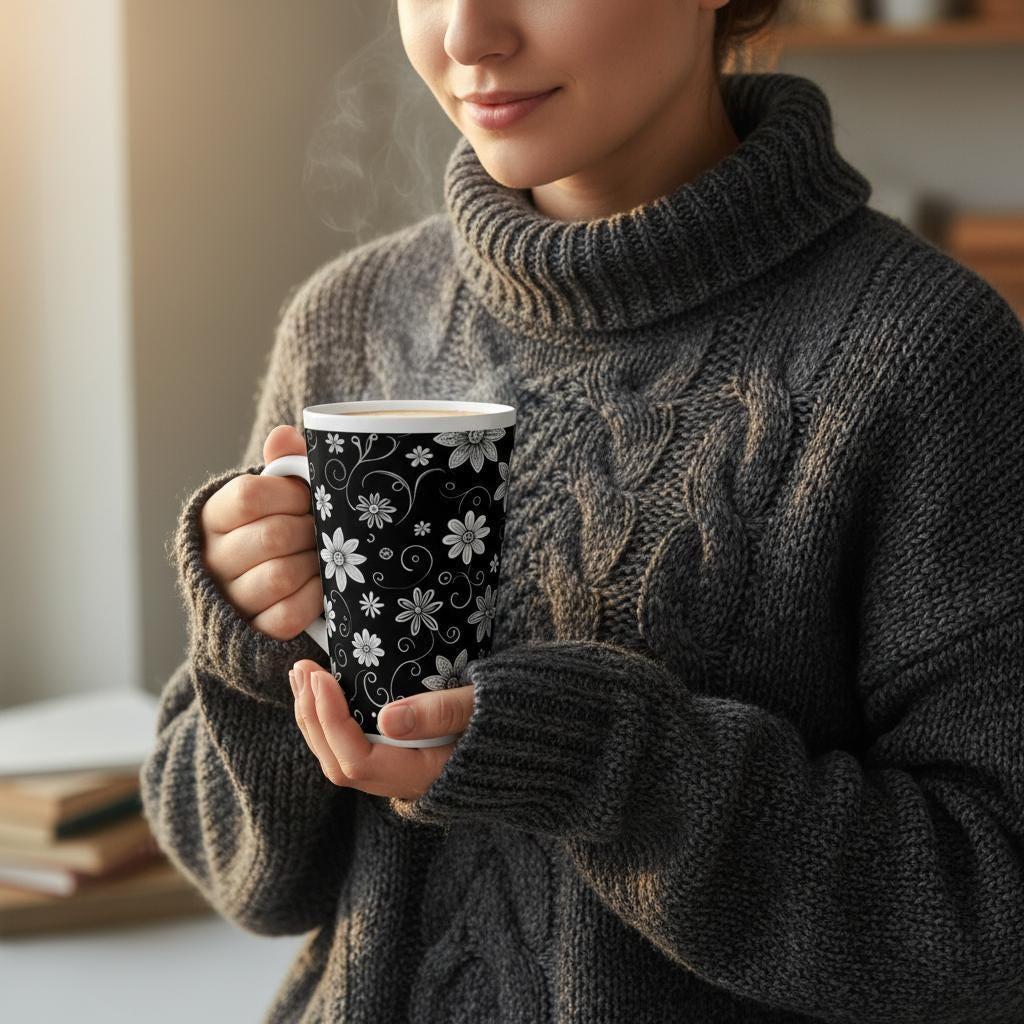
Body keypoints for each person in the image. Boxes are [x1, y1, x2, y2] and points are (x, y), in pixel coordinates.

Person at [140, 0, 1024, 1021]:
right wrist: (245, 651)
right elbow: (246, 876)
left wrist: (611, 768)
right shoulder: (349, 322)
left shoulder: (921, 359)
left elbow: (992, 915)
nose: (466, 35)